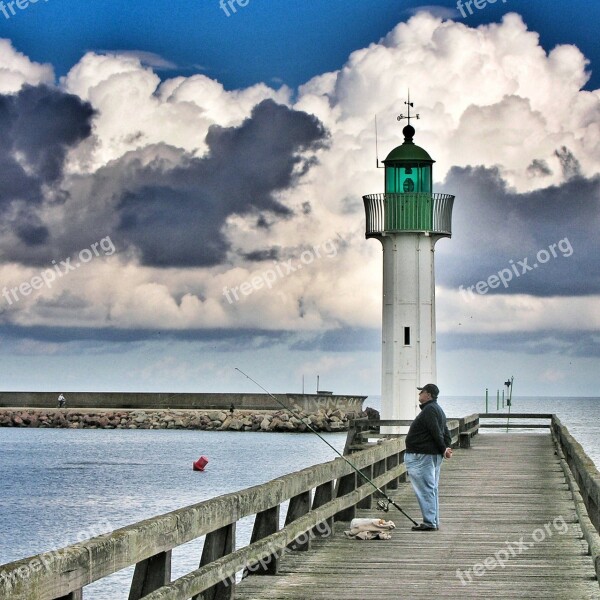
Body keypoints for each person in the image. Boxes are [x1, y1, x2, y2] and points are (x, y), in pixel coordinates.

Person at [404, 383, 452, 531]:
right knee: (431, 489)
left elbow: (436, 431)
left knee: (426, 489)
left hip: (423, 456)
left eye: (421, 392)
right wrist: (446, 447)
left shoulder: (429, 410)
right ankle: (433, 521)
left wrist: (444, 448)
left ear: (429, 395)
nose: (419, 395)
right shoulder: (438, 409)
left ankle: (430, 522)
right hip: (432, 455)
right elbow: (445, 431)